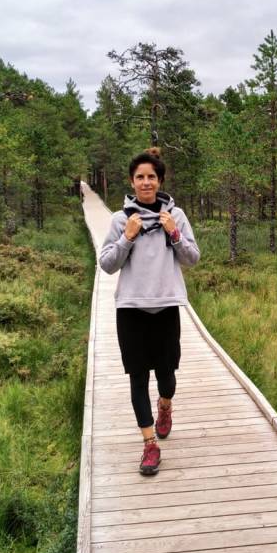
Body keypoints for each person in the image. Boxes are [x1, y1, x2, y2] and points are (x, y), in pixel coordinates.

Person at [98, 148, 201, 475]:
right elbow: (107, 264)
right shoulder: (121, 220)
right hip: (131, 310)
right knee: (138, 378)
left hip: (166, 307)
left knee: (167, 377)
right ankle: (149, 445)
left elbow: (192, 258)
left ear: (160, 181)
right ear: (132, 182)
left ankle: (165, 406)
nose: (146, 182)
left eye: (151, 177)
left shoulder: (176, 216)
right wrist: (127, 238)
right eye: (140, 177)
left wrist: (174, 233)